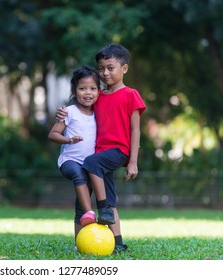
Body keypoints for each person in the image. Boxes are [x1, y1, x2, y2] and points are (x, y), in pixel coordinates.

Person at [57, 43, 146, 254]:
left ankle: (103, 207)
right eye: (101, 68)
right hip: (99, 156)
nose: (105, 72)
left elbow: (135, 130)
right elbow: (80, 107)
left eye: (110, 67)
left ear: (124, 69)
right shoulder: (99, 96)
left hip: (117, 151)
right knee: (87, 201)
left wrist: (132, 161)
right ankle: (116, 243)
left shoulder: (131, 94)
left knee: (94, 173)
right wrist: (63, 113)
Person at [49, 65, 114, 241]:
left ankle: (79, 242)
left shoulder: (98, 113)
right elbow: (53, 134)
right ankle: (90, 212)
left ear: (99, 91)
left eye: (93, 88)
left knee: (79, 207)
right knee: (78, 176)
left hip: (90, 166)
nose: (88, 93)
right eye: (82, 88)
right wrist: (69, 140)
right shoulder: (69, 112)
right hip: (69, 161)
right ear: (75, 90)